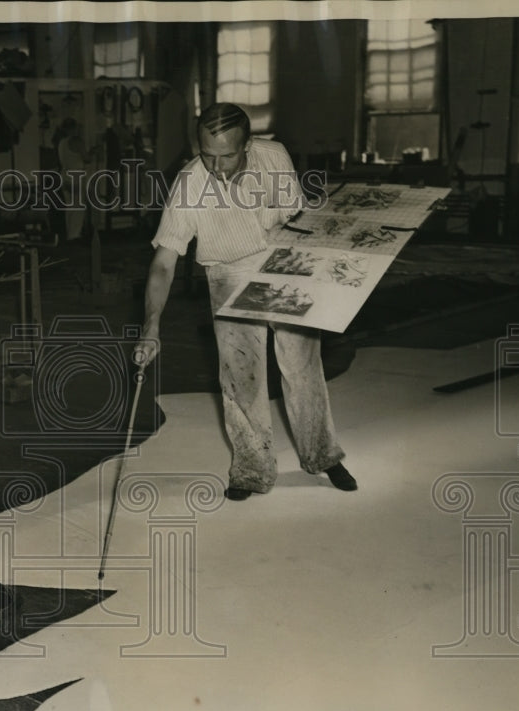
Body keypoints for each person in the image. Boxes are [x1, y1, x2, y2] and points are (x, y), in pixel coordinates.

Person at [134, 102, 357, 499]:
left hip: (281, 259)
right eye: (207, 155)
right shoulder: (189, 185)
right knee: (240, 378)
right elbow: (164, 263)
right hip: (228, 271)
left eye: (228, 155)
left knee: (303, 365)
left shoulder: (275, 157)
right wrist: (151, 325)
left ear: (249, 145)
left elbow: (297, 220)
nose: (217, 167)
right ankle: (252, 470)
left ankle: (322, 456)